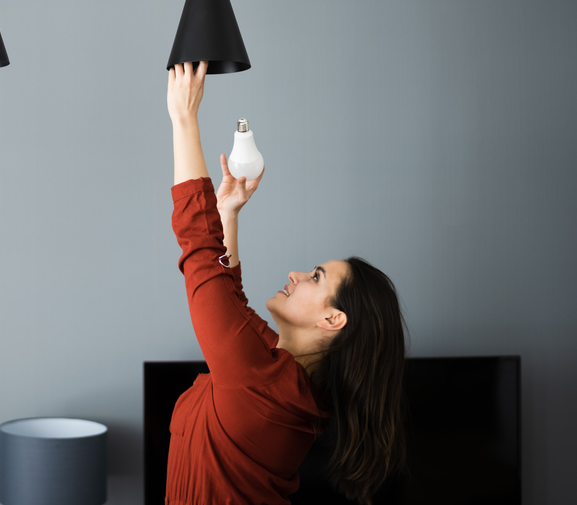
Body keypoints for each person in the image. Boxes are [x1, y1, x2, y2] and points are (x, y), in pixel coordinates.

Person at [165, 61, 407, 505]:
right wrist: (229, 214)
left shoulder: (262, 383)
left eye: (316, 277)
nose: (296, 275)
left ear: (334, 318)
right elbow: (228, 293)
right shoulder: (285, 383)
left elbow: (202, 256)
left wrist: (184, 118)